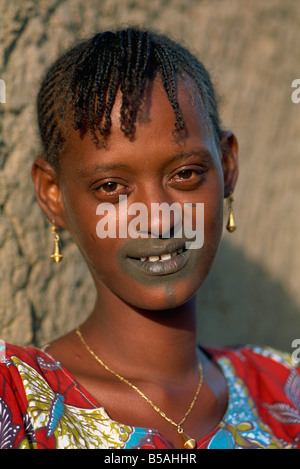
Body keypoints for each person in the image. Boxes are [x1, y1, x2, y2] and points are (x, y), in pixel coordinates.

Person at [0, 27, 299, 450]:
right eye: (110, 187)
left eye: (186, 174)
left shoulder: (285, 393)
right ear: (54, 194)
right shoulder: (16, 403)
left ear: (228, 167)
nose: (158, 219)